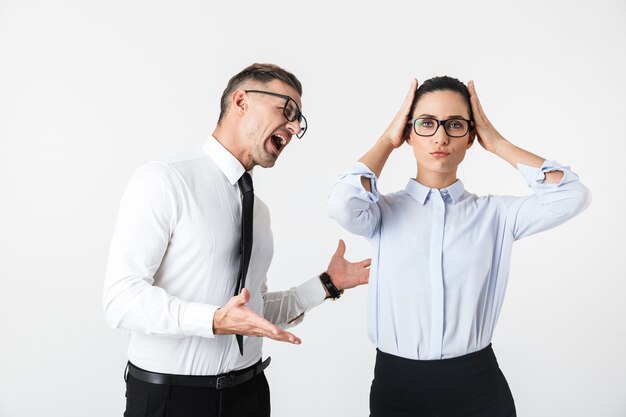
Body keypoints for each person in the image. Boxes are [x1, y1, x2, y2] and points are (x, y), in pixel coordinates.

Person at [103, 63, 370, 417]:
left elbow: (249, 314)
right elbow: (121, 300)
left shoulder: (258, 211)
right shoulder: (165, 180)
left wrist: (326, 285)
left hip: (249, 395)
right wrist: (212, 320)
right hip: (172, 399)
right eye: (286, 110)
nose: (292, 127)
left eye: (298, 121)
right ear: (241, 100)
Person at [327, 76, 591, 416]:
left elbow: (573, 196)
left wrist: (496, 142)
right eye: (426, 124)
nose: (440, 137)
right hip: (396, 387)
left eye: (454, 125)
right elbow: (341, 202)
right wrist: (387, 141)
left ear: (470, 136)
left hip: (477, 386)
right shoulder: (380, 213)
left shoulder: (496, 214)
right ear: (409, 133)